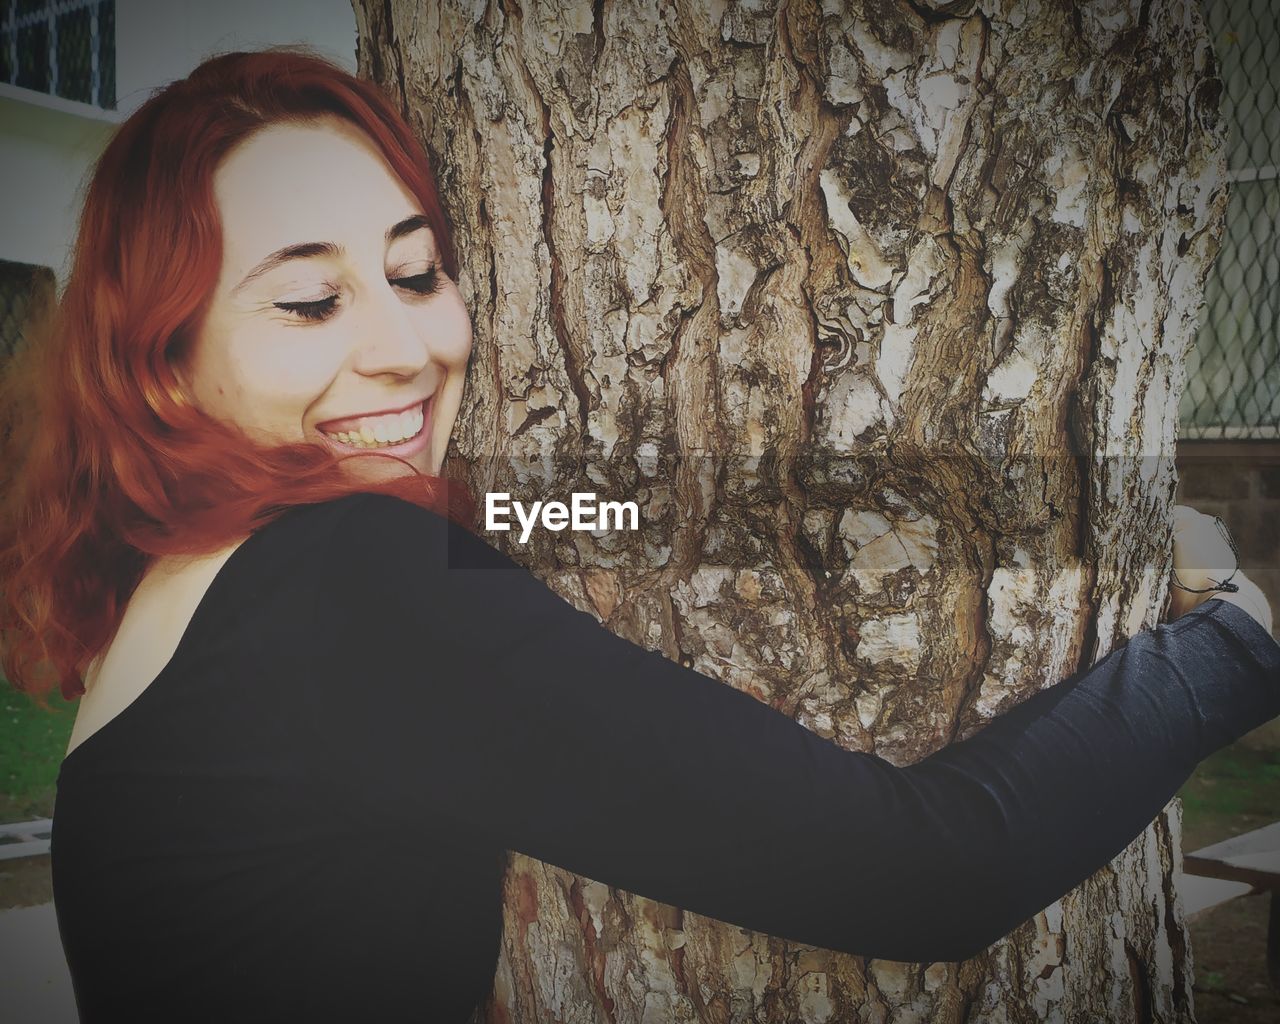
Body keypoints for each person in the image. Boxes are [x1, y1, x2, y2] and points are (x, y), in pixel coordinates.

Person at [0, 46, 1275, 1024]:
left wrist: (978, 526)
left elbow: (548, 515)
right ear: (164, 361)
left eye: (416, 270)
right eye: (308, 299)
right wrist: (1234, 643)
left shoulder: (204, 582)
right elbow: (926, 874)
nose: (403, 349)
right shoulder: (347, 583)